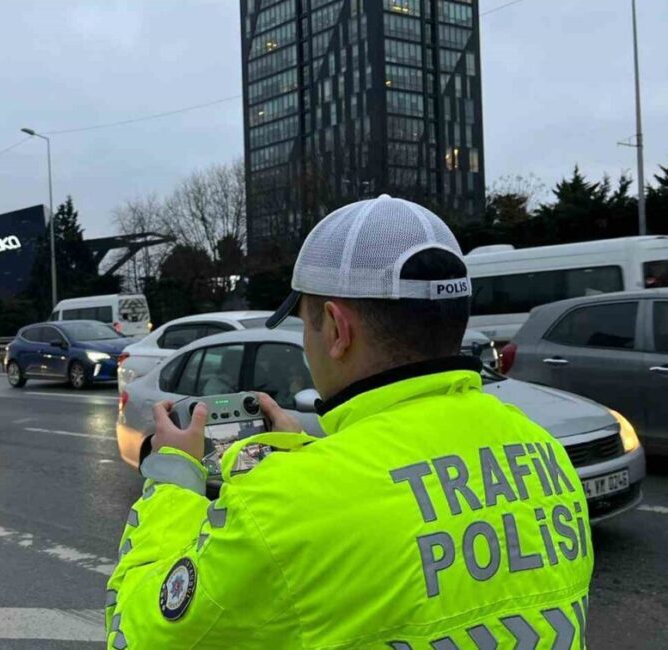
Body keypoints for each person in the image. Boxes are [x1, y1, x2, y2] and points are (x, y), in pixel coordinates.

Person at [106, 196, 593, 649]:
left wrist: (173, 479)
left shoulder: (287, 506)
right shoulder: (543, 451)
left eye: (305, 325)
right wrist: (315, 459)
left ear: (337, 329)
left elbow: (137, 633)